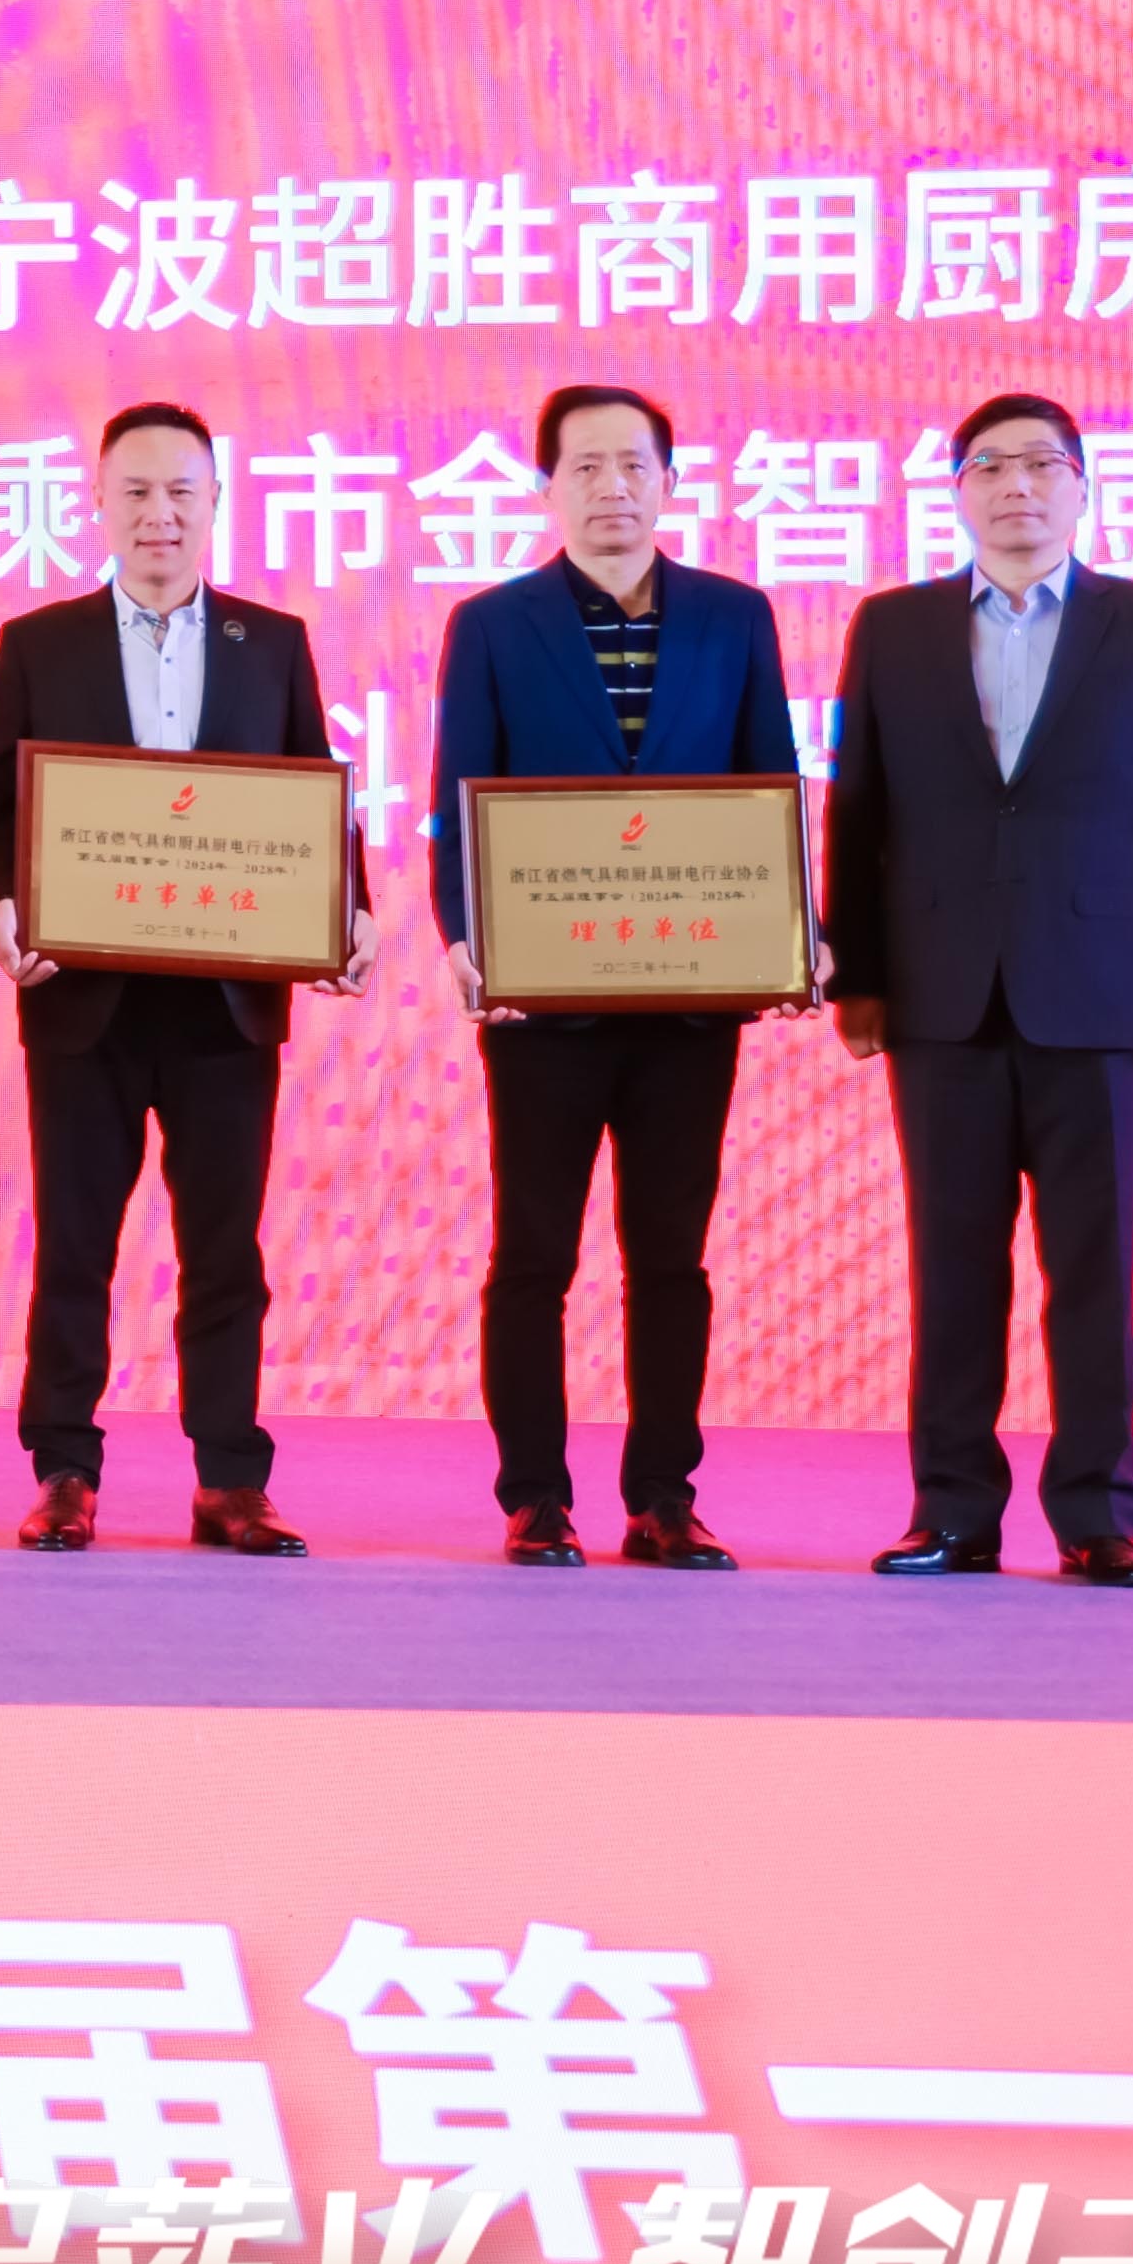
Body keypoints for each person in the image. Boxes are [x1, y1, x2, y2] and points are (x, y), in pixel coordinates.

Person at [825, 389, 1133, 1588]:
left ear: (1081, 486)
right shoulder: (891, 626)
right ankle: (952, 1510)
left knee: (1092, 1269)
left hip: (1098, 993)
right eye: (990, 467)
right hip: (937, 998)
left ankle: (1097, 1513)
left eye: (1043, 465)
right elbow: (857, 810)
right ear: (956, 493)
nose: (1018, 487)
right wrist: (857, 976)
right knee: (952, 1267)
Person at [0, 401, 373, 1557]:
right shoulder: (41, 643)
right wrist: (5, 906)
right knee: (74, 1245)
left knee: (226, 1251)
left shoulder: (270, 642)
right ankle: (64, 1470)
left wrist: (350, 910)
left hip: (225, 1004)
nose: (159, 514)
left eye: (182, 492)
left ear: (215, 505)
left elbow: (313, 794)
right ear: (97, 504)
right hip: (82, 996)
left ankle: (230, 1477)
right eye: (135, 491)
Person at [430, 382, 807, 1571]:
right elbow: (458, 799)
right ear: (547, 487)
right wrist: (466, 939)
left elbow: (770, 790)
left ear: (670, 484)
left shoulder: (735, 618)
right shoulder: (493, 624)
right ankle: (535, 1498)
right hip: (543, 1001)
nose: (611, 488)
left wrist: (789, 934)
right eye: (584, 467)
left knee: (671, 1259)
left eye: (633, 466)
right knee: (533, 1257)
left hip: (690, 1003)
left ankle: (663, 1497)